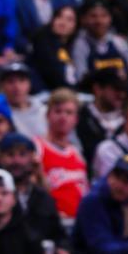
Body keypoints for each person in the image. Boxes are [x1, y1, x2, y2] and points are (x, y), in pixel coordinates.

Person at [0, 132, 69, 254]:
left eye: (22, 154)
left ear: (32, 157)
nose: (17, 161)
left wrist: (61, 250)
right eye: (10, 155)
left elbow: (59, 235)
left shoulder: (43, 198)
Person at [34, 89, 88, 220]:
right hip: (51, 221)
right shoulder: (37, 147)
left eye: (69, 112)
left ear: (76, 119)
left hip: (79, 222)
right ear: (48, 115)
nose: (63, 117)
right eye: (58, 111)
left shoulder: (77, 152)